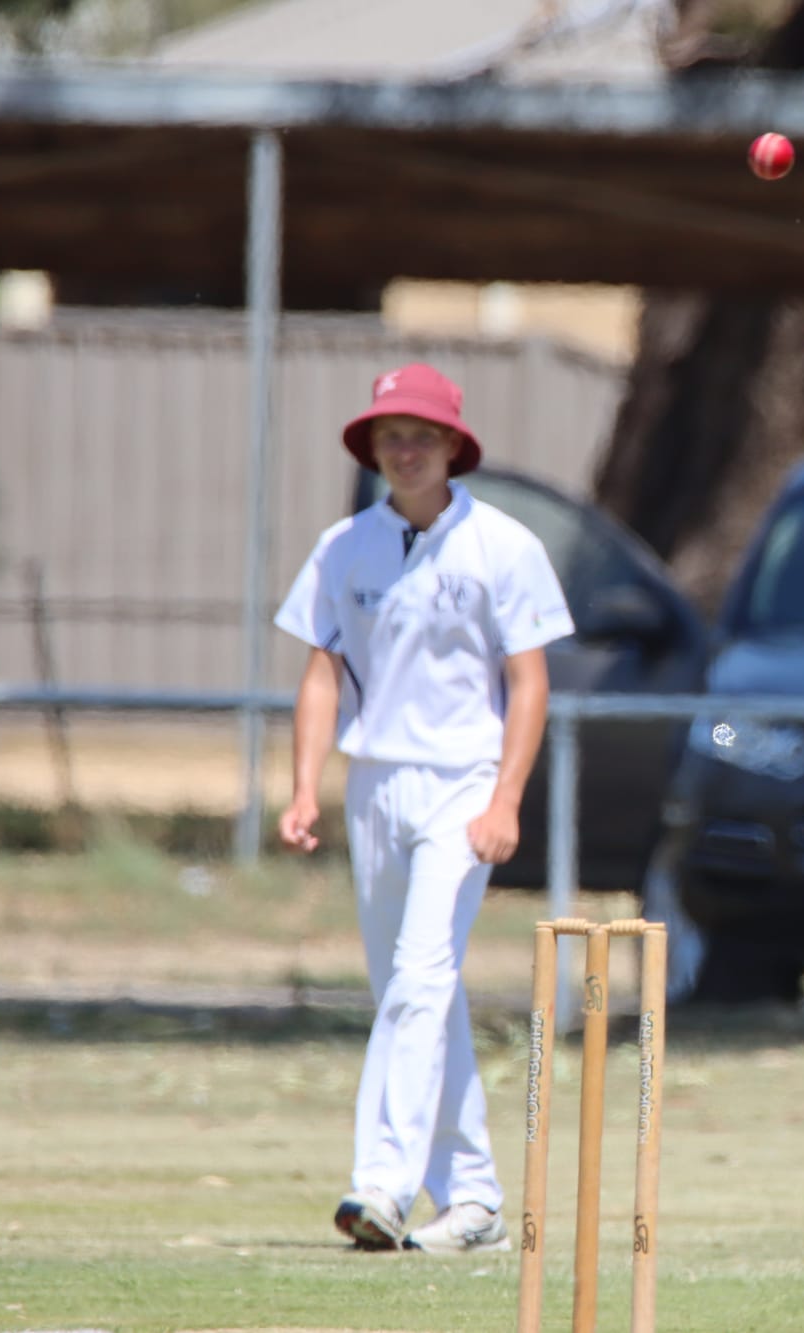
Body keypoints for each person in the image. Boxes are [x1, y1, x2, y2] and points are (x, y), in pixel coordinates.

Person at [274, 363, 574, 1255]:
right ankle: (476, 1197)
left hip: (464, 783)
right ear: (371, 449)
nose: (403, 451)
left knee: (418, 977)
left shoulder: (504, 546)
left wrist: (506, 800)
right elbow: (322, 672)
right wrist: (302, 785)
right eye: (388, 437)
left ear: (453, 446)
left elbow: (529, 683)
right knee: (413, 991)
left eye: (421, 436)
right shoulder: (343, 547)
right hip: (378, 784)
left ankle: (383, 1184)